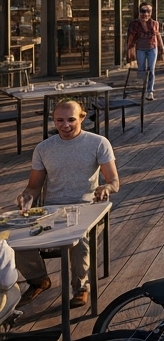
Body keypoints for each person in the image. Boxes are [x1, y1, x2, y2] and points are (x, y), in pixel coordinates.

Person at [14, 100, 119, 309]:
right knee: (13, 239)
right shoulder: (44, 148)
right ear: (53, 120)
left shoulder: (98, 143)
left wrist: (105, 188)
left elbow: (114, 182)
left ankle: (81, 287)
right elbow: (34, 186)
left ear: (82, 117)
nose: (65, 125)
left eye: (71, 119)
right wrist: (26, 196)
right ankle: (38, 279)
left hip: (86, 210)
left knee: (78, 241)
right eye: (59, 120)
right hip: (51, 211)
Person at [124, 3, 164, 101]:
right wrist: (129, 50)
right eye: (143, 11)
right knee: (141, 70)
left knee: (151, 69)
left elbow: (158, 36)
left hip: (152, 48)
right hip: (140, 49)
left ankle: (150, 91)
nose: (145, 14)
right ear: (139, 12)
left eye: (148, 11)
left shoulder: (154, 23)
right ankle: (143, 87)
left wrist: (162, 50)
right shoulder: (134, 24)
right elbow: (131, 38)